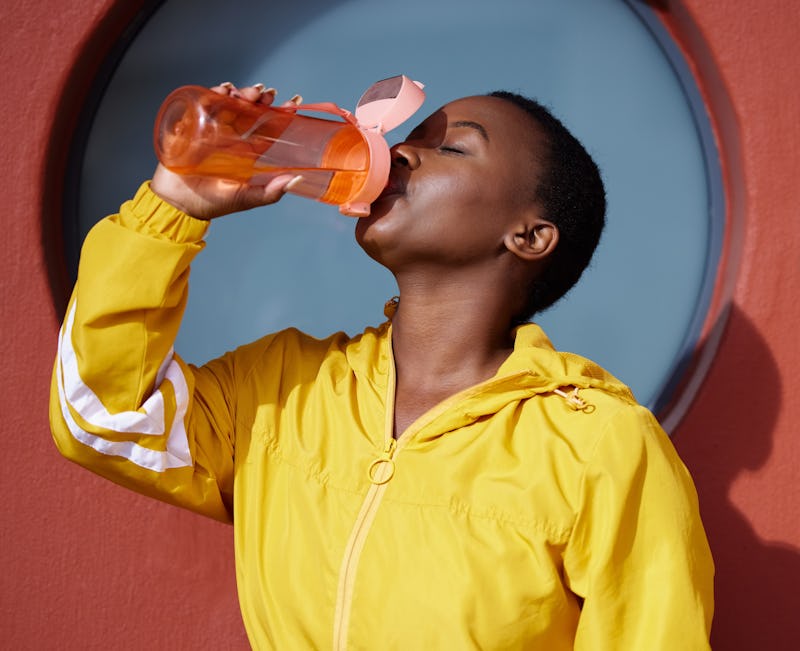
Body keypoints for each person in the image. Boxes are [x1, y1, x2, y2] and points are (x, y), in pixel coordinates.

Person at [50, 82, 714, 649]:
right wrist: (175, 207)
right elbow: (102, 414)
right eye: (408, 135)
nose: (398, 150)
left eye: (452, 147)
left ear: (529, 235)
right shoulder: (284, 388)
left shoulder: (599, 445)